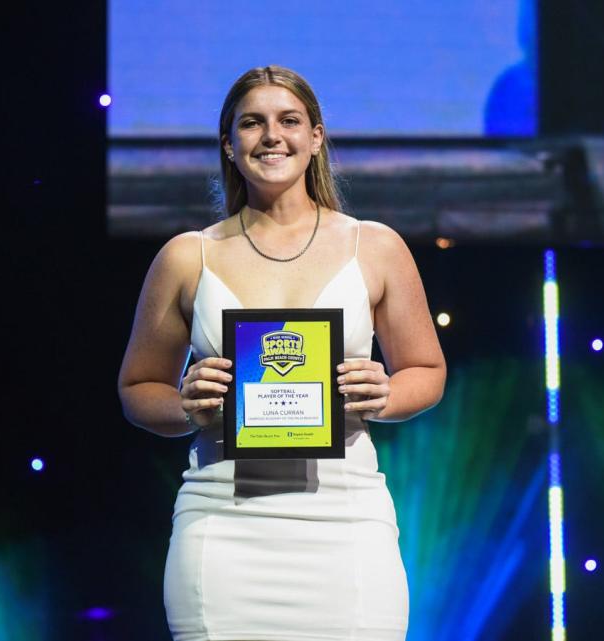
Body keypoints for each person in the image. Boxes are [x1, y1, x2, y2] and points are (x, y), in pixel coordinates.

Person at [118, 65, 446, 641]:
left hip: (346, 524)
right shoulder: (185, 256)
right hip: (223, 523)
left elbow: (428, 371)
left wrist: (387, 393)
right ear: (229, 143)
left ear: (316, 137)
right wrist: (184, 406)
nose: (272, 136)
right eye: (252, 123)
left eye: (289, 121)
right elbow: (138, 389)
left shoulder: (375, 246)